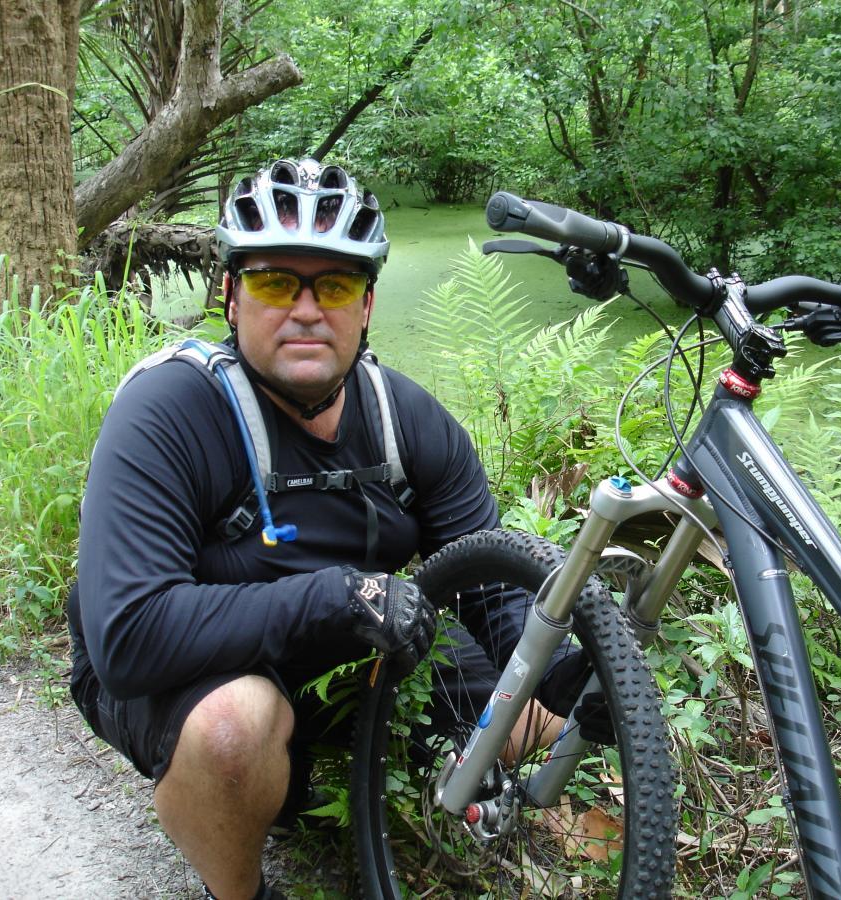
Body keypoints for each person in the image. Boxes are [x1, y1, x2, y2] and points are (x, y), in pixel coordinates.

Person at [67, 158, 573, 900]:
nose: (306, 309)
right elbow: (129, 636)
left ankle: (318, 787)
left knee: (541, 717)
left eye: (333, 286)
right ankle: (239, 887)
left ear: (367, 306)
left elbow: (493, 603)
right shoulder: (168, 411)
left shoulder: (410, 424)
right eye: (276, 282)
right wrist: (338, 597)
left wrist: (583, 671)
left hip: (348, 656)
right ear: (233, 298)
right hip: (187, 672)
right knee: (237, 727)